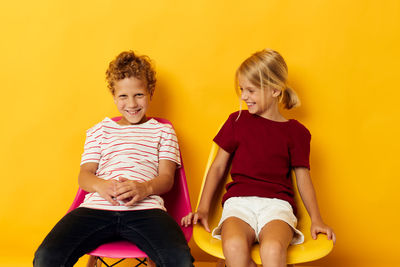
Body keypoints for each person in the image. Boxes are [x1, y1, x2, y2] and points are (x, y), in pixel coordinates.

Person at [34, 51, 194, 267]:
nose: (132, 103)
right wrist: (102, 186)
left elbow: (167, 178)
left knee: (180, 259)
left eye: (139, 95)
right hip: (96, 209)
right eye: (123, 96)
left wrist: (144, 188)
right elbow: (85, 176)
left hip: (146, 211)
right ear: (113, 96)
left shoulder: (163, 131)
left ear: (151, 92)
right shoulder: (100, 131)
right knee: (46, 256)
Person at [182, 49, 336, 267]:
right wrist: (204, 209)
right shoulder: (237, 121)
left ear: (275, 90)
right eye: (242, 90)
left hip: (277, 206)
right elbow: (217, 168)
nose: (244, 96)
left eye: (251, 90)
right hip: (239, 204)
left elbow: (303, 179)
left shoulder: (296, 132)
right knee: (234, 245)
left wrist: (317, 219)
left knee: (272, 249)